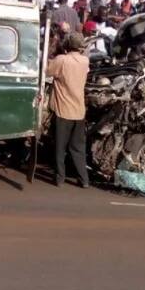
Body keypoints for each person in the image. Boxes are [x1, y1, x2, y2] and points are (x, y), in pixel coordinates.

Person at [46, 32, 90, 188]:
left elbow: (46, 70)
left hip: (63, 111)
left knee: (60, 147)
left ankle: (60, 178)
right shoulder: (85, 61)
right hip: (79, 111)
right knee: (77, 148)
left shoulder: (62, 60)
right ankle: (84, 180)